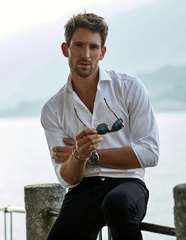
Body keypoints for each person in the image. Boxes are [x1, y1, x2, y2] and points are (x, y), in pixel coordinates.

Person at [41, 12, 159, 240]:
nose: (86, 54)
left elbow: (150, 153)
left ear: (102, 52)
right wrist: (77, 155)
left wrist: (90, 156)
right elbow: (66, 179)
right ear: (65, 49)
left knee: (118, 204)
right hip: (84, 187)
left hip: (128, 182)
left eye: (93, 47)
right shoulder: (52, 109)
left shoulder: (129, 87)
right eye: (78, 45)